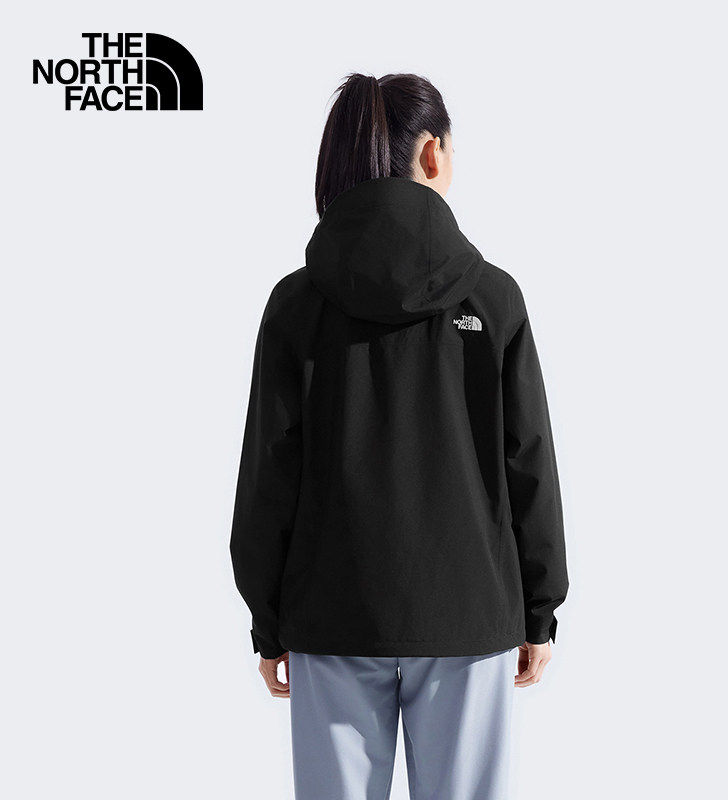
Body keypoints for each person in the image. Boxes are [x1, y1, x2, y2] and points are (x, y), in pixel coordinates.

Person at [229, 71, 569, 800]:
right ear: (433, 153)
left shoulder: (295, 304)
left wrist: (268, 621)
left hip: (330, 614)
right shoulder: (493, 298)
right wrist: (540, 610)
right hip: (470, 616)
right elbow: (529, 463)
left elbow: (267, 476)